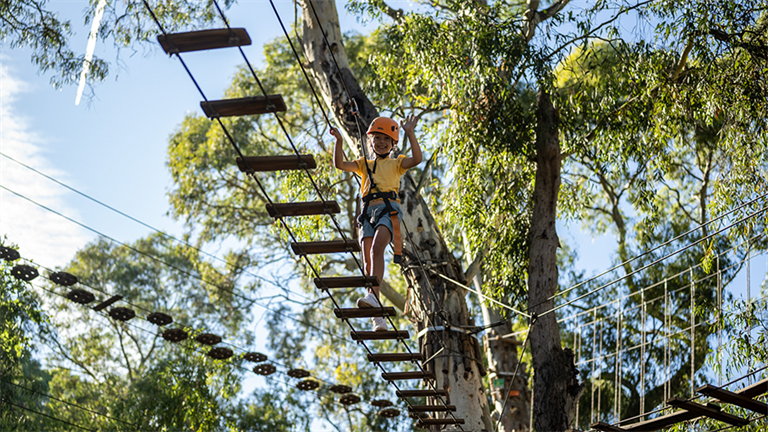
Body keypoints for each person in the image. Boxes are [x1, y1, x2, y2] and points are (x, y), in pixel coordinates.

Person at [331, 115, 422, 331]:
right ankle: (377, 316)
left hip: (387, 210)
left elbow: (417, 159)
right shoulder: (364, 164)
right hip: (367, 213)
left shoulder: (397, 163)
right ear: (370, 141)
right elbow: (339, 164)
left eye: (386, 139)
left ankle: (372, 296)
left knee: (377, 248)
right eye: (377, 138)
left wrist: (410, 132)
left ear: (392, 144)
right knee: (367, 263)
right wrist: (339, 142)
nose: (381, 142)